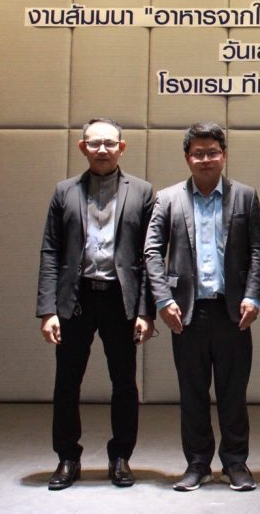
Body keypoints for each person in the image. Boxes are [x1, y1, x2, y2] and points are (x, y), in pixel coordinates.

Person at [143, 122, 260, 492]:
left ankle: (235, 464)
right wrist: (163, 299)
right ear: (187, 158)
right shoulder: (168, 199)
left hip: (233, 312)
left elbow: (258, 250)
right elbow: (151, 251)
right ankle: (197, 464)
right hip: (186, 313)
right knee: (192, 393)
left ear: (223, 155)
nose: (206, 159)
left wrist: (253, 296)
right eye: (198, 153)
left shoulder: (245, 196)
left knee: (233, 394)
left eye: (213, 152)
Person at [36, 117, 155, 490]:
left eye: (109, 143)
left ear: (122, 147)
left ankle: (120, 457)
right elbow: (51, 251)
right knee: (67, 383)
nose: (102, 149)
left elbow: (151, 256)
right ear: (82, 147)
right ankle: (67, 458)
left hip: (121, 299)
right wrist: (48, 310)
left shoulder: (143, 192)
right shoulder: (64, 192)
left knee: (124, 383)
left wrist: (146, 311)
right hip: (77, 298)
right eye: (94, 143)